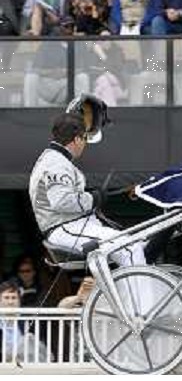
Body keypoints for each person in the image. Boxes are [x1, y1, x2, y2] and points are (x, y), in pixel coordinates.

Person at [28, 111, 147, 269]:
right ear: (77, 139)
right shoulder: (56, 163)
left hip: (70, 226)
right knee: (130, 248)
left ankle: (127, 293)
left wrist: (93, 197)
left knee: (137, 243)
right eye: (85, 139)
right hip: (65, 228)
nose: (85, 144)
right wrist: (93, 198)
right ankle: (141, 295)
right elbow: (61, 202)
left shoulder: (55, 159)